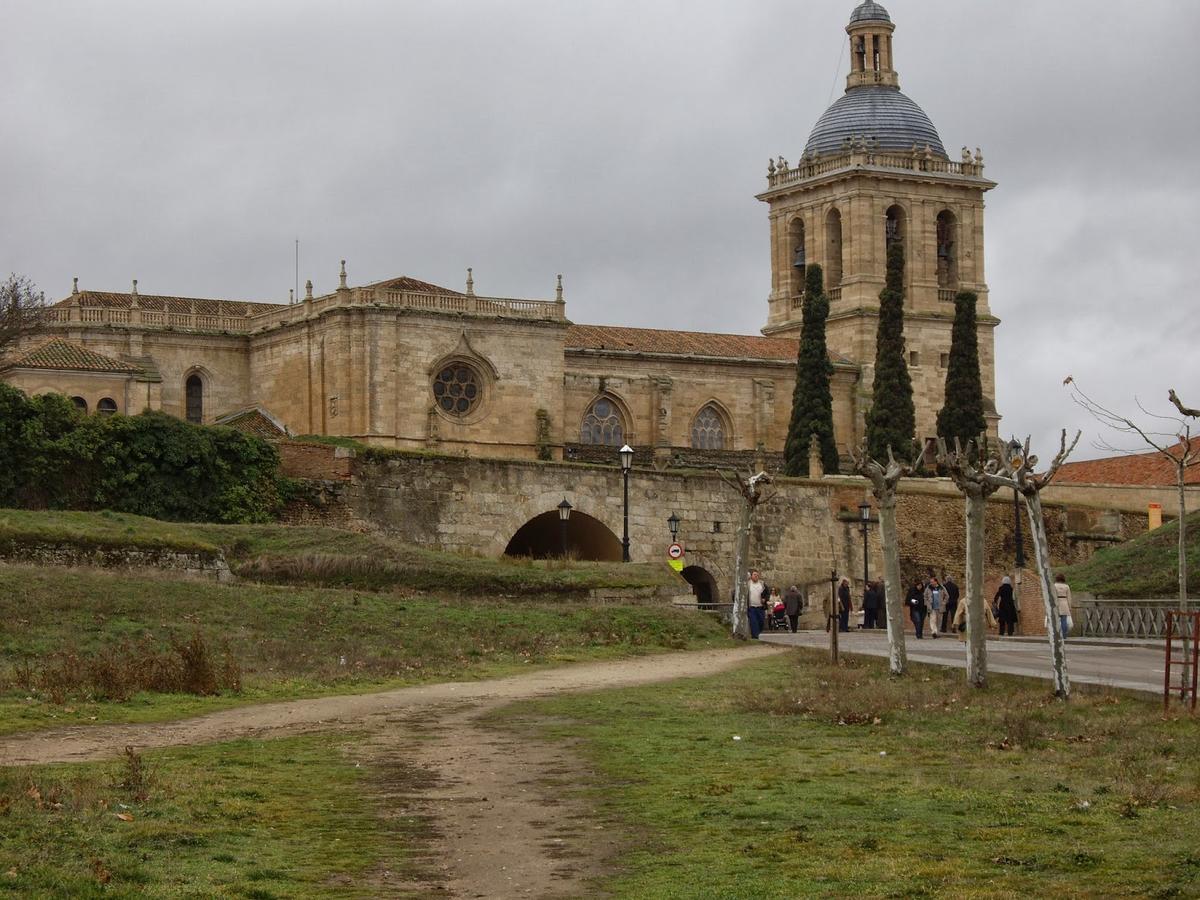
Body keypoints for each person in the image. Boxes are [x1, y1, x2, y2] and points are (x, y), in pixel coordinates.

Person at [747, 570, 769, 639]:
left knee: (761, 622)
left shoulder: (762, 584)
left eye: (757, 575)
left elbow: (767, 593)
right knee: (753, 622)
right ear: (751, 576)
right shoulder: (748, 584)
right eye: (754, 575)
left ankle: (757, 633)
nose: (756, 576)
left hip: (760, 607)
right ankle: (755, 636)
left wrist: (765, 599)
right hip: (751, 607)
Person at [1054, 574, 1073, 640]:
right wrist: (1069, 607)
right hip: (1064, 603)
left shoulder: (1054, 585)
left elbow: (1053, 596)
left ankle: (1057, 635)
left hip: (1056, 604)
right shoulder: (1066, 586)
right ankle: (1064, 636)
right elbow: (1069, 597)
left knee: (1056, 621)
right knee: (1064, 621)